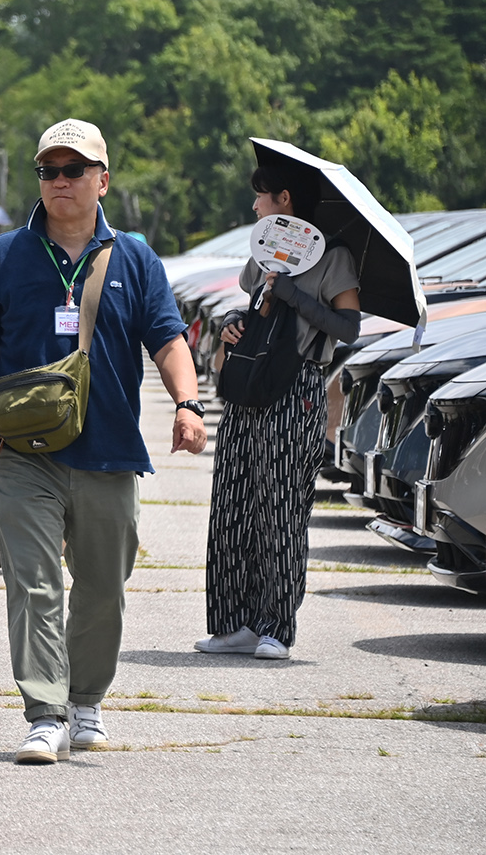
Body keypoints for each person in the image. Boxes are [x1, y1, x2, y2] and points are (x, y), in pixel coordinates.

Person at [0, 118, 207, 764]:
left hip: (109, 452)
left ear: (102, 180)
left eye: (74, 169)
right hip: (21, 456)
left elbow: (168, 338)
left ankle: (87, 700)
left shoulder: (136, 257)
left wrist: (188, 403)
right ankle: (45, 711)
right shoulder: (3, 257)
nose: (60, 181)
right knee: (32, 582)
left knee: (103, 587)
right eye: (49, 171)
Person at [198, 167, 360, 661]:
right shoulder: (262, 251)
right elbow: (252, 309)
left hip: (298, 391)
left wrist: (294, 294)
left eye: (261, 198)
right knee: (232, 504)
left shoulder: (333, 257)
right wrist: (231, 322)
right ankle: (234, 623)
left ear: (284, 198)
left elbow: (348, 328)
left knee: (281, 510)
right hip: (250, 389)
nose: (254, 208)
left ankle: (275, 626)